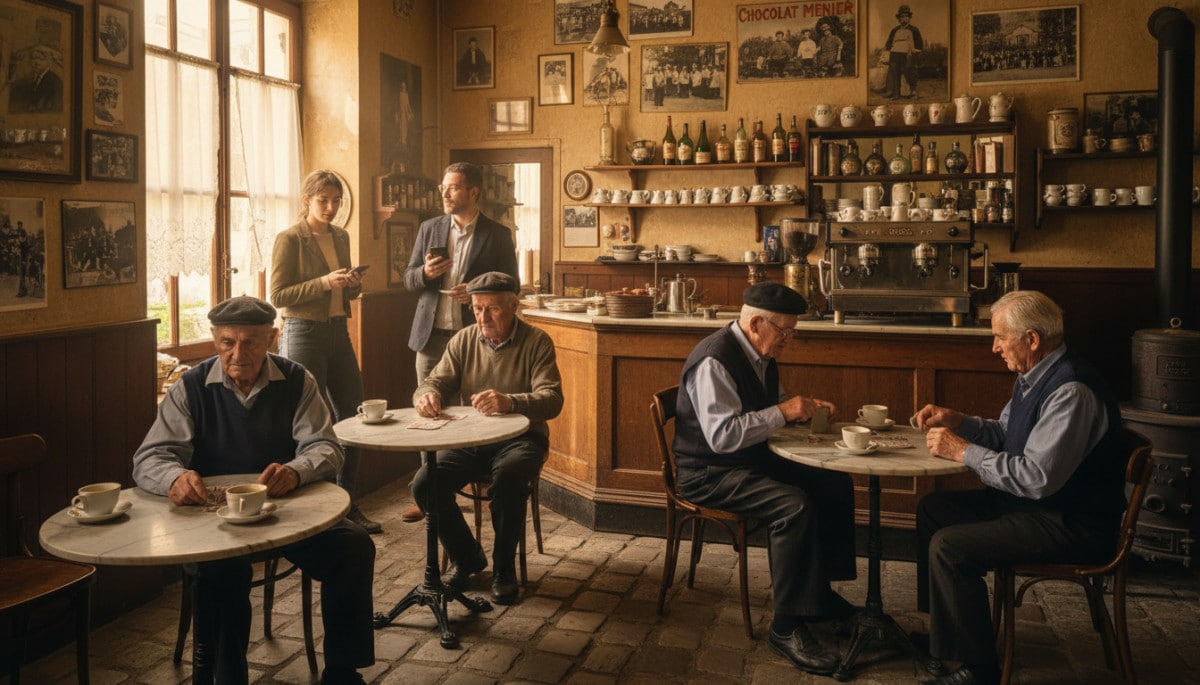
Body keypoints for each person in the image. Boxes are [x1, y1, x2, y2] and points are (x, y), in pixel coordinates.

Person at [132, 296, 376, 685]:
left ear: (273, 339)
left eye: (251, 341)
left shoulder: (297, 379)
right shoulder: (191, 387)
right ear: (214, 339)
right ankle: (229, 677)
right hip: (215, 525)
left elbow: (326, 448)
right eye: (228, 342)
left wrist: (295, 472)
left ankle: (343, 672)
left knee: (354, 544)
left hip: (288, 513)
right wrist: (174, 478)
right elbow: (150, 457)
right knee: (220, 573)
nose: (238, 353)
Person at [912, 290, 1127, 685]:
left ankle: (978, 670)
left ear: (1032, 339)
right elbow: (1006, 433)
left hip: (1070, 522)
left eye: (1000, 337)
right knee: (931, 511)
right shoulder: (1034, 374)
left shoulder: (1071, 391)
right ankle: (946, 639)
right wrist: (961, 421)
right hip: (1037, 508)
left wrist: (963, 453)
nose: (994, 347)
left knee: (950, 547)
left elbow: (1035, 478)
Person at [673, 282, 857, 676]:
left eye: (793, 332)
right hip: (707, 472)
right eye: (785, 332)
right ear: (756, 323)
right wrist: (784, 412)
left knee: (834, 483)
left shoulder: (759, 351)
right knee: (794, 506)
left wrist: (802, 408)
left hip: (744, 460)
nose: (789, 340)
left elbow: (770, 404)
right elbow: (723, 437)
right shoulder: (715, 360)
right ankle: (787, 626)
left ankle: (818, 596)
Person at [410, 271, 563, 605]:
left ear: (513, 306)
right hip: (473, 439)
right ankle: (467, 557)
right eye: (478, 309)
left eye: (492, 309)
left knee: (508, 478)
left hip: (523, 439)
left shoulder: (537, 341)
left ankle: (503, 570)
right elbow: (434, 381)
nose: (483, 317)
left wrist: (511, 402)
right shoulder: (464, 340)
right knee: (424, 484)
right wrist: (426, 395)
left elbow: (552, 400)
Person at [400, 162, 519, 523]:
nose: (446, 194)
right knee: (429, 409)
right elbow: (407, 278)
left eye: (453, 188)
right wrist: (425, 273)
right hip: (430, 336)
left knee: (480, 412)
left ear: (473, 192)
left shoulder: (497, 234)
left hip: (477, 338)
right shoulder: (429, 228)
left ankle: (480, 485)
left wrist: (479, 288)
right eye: (443, 187)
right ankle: (428, 494)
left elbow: (511, 283)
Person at [270, 170, 381, 535]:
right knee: (307, 422)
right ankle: (311, 513)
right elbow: (278, 296)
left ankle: (347, 504)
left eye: (336, 201)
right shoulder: (289, 239)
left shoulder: (341, 236)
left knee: (354, 415)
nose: (331, 207)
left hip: (338, 331)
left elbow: (344, 295)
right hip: (302, 333)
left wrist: (350, 285)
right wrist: (323, 282)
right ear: (307, 200)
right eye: (323, 201)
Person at [883, 5, 924, 100]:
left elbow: (919, 44)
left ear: (909, 18)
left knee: (909, 68)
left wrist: (915, 53)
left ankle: (913, 91)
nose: (904, 18)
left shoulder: (914, 30)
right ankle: (893, 93)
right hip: (895, 54)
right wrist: (888, 51)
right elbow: (889, 43)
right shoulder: (895, 30)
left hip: (908, 54)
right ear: (898, 19)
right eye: (902, 17)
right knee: (893, 69)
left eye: (906, 16)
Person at [10, 45, 63, 114]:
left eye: (40, 58)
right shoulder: (29, 79)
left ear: (49, 61)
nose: (35, 62)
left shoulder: (55, 80)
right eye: (33, 58)